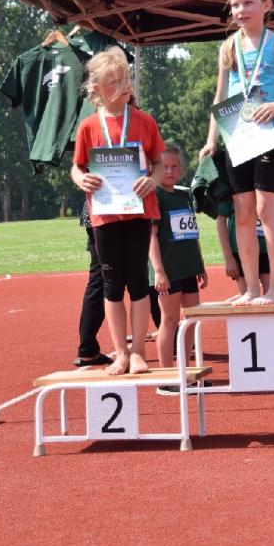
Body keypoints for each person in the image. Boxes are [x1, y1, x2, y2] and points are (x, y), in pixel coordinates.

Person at [200, 0, 274, 306]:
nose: (240, 10)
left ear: (266, 5)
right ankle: (250, 288)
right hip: (237, 137)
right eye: (235, 5)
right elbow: (220, 96)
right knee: (243, 212)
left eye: (248, 3)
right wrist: (211, 140)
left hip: (270, 136)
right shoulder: (227, 47)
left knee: (267, 209)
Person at [71, 46, 165, 375]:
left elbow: (158, 163)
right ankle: (121, 354)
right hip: (104, 216)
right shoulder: (88, 127)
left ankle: (138, 352)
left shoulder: (144, 121)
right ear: (97, 89)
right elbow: (77, 167)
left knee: (138, 282)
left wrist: (153, 180)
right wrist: (81, 179)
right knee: (111, 286)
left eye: (126, 79)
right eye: (114, 82)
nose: (124, 86)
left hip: (138, 214)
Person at [217, 179, 274, 381]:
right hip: (242, 251)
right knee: (246, 303)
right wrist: (228, 256)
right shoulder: (234, 181)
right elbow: (221, 220)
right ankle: (248, 360)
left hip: (269, 250)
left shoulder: (270, 179)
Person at [148, 144, 208, 393]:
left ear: (181, 169)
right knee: (170, 320)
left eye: (174, 166)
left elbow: (191, 233)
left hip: (188, 267)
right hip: (168, 270)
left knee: (192, 319)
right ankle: (166, 377)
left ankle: (185, 373)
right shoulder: (155, 196)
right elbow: (151, 237)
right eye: (164, 167)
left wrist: (200, 264)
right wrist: (158, 270)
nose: (170, 171)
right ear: (154, 169)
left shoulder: (184, 196)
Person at [72, 202, 113, 367]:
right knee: (142, 277)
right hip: (116, 213)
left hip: (97, 211)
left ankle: (88, 348)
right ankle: (171, 336)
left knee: (99, 280)